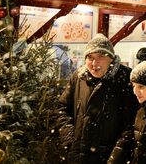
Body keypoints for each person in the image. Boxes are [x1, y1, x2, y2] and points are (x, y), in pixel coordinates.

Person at [57, 34, 139, 163]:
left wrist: (117, 155)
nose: (95, 63)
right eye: (90, 57)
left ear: (111, 59)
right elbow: (61, 108)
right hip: (78, 155)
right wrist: (69, 139)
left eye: (101, 56)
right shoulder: (78, 77)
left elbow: (132, 123)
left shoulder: (125, 79)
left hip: (108, 156)